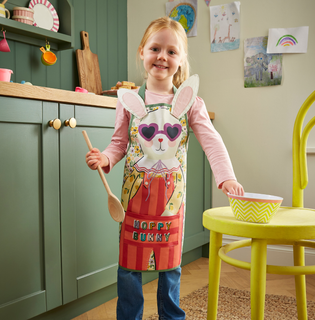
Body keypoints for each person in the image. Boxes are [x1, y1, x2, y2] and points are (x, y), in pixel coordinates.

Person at [86, 16, 244, 320]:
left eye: (172, 51)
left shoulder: (191, 103)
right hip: (133, 202)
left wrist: (226, 178)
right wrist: (105, 158)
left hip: (172, 205)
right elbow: (119, 143)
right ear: (142, 52)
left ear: (181, 59)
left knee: (170, 267)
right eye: (155, 48)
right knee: (129, 268)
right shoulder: (129, 100)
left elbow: (212, 141)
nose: (162, 56)